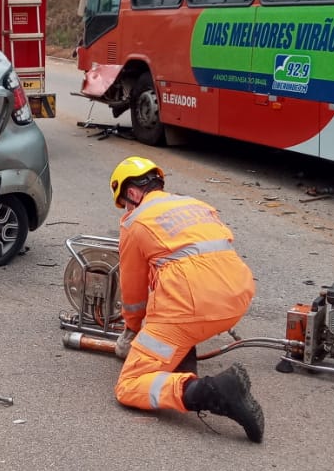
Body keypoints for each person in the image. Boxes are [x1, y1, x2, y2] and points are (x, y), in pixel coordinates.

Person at [109, 156, 264, 442]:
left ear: (131, 193)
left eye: (124, 203)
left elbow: (133, 292)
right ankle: (182, 354)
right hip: (238, 297)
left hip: (191, 307)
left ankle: (212, 391)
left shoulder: (136, 220)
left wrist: (133, 330)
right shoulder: (196, 206)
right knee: (178, 292)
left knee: (128, 386)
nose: (125, 210)